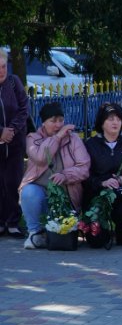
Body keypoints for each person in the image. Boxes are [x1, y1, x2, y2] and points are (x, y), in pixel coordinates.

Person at [19, 102, 90, 249]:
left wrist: (65, 175)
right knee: (28, 192)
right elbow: (41, 158)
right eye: (53, 121)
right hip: (41, 194)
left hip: (66, 195)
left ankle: (54, 234)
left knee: (63, 229)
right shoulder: (33, 138)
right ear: (43, 122)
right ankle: (34, 233)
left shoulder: (73, 139)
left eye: (61, 120)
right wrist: (57, 138)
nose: (58, 125)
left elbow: (84, 168)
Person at [83, 102, 122, 246]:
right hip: (97, 195)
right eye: (110, 119)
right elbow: (85, 176)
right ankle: (102, 230)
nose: (115, 122)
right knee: (96, 243)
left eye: (118, 119)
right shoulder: (90, 145)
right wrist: (102, 183)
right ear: (102, 122)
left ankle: (120, 227)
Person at [0, 48, 30, 237]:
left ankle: (12, 222)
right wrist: (0, 132)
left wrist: (10, 130)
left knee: (13, 182)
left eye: (3, 66)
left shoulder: (14, 82)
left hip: (15, 142)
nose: (1, 71)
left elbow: (24, 108)